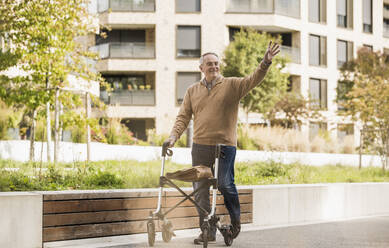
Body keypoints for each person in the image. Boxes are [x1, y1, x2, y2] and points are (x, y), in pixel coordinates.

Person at [165, 41, 280, 244]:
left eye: (216, 63)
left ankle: (235, 224)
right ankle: (207, 232)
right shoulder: (192, 91)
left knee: (226, 185)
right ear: (201, 68)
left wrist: (265, 62)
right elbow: (183, 117)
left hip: (225, 147)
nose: (214, 67)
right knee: (200, 190)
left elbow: (253, 79)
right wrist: (173, 137)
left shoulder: (232, 85)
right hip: (200, 146)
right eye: (209, 64)